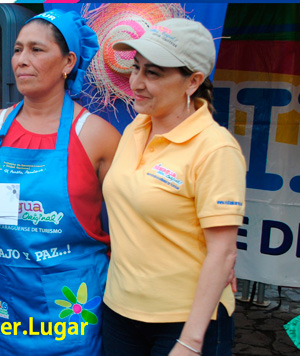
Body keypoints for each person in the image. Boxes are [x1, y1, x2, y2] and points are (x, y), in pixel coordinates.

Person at [0, 9, 120, 355]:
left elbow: (126, 229)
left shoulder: (97, 135)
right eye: (18, 49)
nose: (22, 60)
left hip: (73, 303)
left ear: (68, 61)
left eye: (37, 50)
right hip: (6, 302)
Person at [101, 18, 246, 356]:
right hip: (121, 311)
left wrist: (191, 342)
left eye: (153, 73)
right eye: (135, 68)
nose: (136, 82)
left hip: (186, 322)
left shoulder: (215, 149)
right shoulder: (136, 128)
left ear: (193, 81)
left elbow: (222, 251)